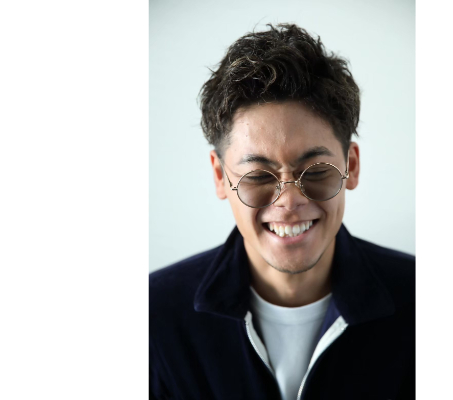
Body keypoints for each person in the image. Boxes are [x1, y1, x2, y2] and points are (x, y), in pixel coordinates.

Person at [149, 23, 415, 400]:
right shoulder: (154, 316)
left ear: (351, 166)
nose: (289, 201)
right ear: (220, 177)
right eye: (259, 175)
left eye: (316, 171)